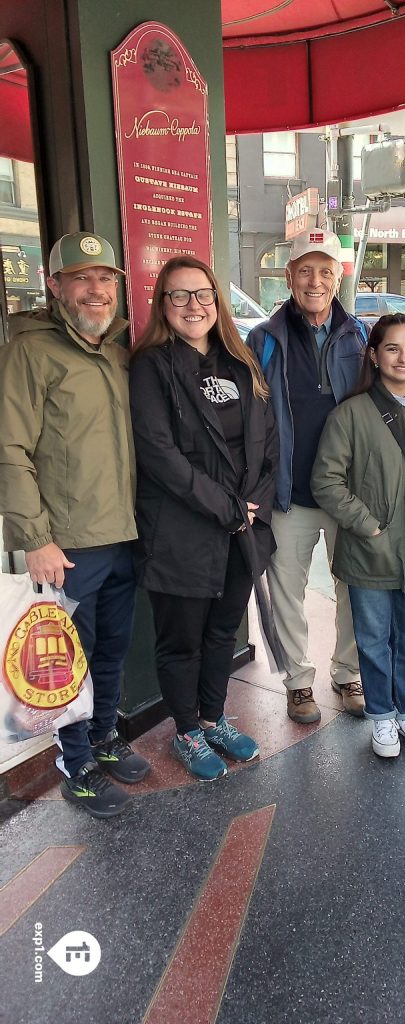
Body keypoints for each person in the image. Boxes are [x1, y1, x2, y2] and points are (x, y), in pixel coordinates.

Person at [0, 231, 149, 818]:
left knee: (110, 649)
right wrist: (34, 538)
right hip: (67, 544)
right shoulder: (30, 351)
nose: (96, 289)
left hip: (122, 533)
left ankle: (106, 735)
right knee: (66, 658)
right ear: (54, 286)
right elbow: (10, 448)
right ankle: (76, 762)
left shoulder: (116, 349)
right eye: (82, 278)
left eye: (106, 278)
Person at [129, 256, 278, 782]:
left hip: (242, 527)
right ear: (162, 305)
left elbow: (267, 440)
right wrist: (229, 510)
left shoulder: (240, 361)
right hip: (183, 532)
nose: (194, 305)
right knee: (181, 641)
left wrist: (252, 503)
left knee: (222, 632)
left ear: (217, 300)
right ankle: (187, 730)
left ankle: (214, 717)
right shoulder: (151, 367)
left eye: (203, 294)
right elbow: (160, 454)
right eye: (179, 295)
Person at [311, 314, 405, 758]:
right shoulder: (351, 414)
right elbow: (327, 481)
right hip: (368, 550)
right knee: (373, 639)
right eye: (392, 348)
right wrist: (368, 524)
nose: (404, 357)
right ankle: (381, 718)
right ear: (374, 355)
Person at [247, 229, 366, 724]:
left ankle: (347, 673)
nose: (315, 280)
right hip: (289, 494)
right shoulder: (263, 339)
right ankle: (298, 682)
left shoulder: (361, 335)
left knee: (355, 587)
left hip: (346, 493)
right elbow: (249, 417)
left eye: (325, 269)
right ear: (289, 277)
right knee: (286, 593)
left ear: (339, 275)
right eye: (304, 270)